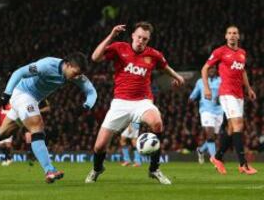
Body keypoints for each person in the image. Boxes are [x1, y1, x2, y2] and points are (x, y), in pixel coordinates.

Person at [0, 52, 97, 183]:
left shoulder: (76, 75)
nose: (76, 77)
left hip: (31, 99)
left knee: (2, 133)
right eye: (75, 73)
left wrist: (86, 106)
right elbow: (19, 72)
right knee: (37, 126)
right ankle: (49, 170)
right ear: (67, 65)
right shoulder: (47, 65)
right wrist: (5, 95)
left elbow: (91, 92)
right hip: (22, 94)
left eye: (79, 74)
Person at [85, 22, 184, 185]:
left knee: (157, 123)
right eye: (139, 37)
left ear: (148, 40)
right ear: (132, 36)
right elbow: (95, 57)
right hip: (120, 103)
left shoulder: (154, 55)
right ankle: (97, 169)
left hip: (142, 102)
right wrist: (111, 35)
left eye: (145, 39)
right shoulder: (119, 48)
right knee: (99, 146)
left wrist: (177, 76)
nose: (141, 41)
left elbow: (165, 66)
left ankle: (154, 169)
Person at [201, 25, 257, 175]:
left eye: (235, 33)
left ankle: (217, 157)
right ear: (226, 36)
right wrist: (206, 88)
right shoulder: (220, 52)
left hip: (239, 94)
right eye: (230, 33)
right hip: (226, 93)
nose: (232, 35)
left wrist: (249, 88)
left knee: (232, 128)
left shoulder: (242, 53)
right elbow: (205, 68)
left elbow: (242, 71)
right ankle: (243, 164)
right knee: (238, 124)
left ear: (239, 37)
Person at [188, 67, 223, 164]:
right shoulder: (200, 82)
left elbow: (225, 93)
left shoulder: (221, 80)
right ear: (206, 71)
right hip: (206, 111)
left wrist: (221, 97)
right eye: (209, 69)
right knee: (210, 136)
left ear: (216, 70)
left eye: (213, 69)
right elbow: (193, 96)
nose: (211, 71)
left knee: (213, 137)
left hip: (219, 112)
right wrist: (191, 100)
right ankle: (215, 160)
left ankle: (201, 150)